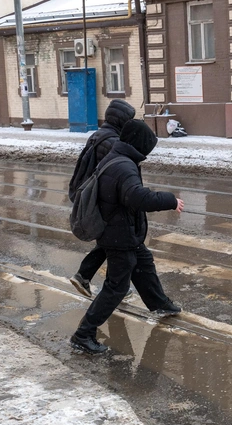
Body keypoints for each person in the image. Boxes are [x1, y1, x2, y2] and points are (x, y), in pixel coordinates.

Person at [70, 119, 184, 354]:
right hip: (118, 235)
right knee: (117, 287)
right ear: (139, 144)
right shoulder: (123, 166)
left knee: (143, 262)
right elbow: (137, 197)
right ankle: (83, 334)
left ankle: (159, 303)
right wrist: (170, 200)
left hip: (122, 231)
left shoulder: (118, 158)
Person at [68, 99, 136, 299]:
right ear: (121, 120)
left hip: (96, 197)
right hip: (105, 199)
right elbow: (115, 173)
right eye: (129, 120)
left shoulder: (99, 135)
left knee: (110, 243)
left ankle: (88, 276)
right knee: (117, 243)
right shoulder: (112, 141)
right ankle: (114, 286)